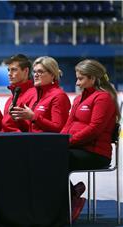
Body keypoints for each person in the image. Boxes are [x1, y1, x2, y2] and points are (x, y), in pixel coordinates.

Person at [61, 59, 120, 221]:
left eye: (80, 78)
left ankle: (72, 198)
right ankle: (72, 194)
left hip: (95, 154)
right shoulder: (78, 100)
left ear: (92, 78)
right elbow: (68, 125)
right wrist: (58, 141)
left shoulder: (103, 98)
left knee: (57, 159)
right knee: (49, 154)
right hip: (78, 149)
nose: (77, 82)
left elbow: (95, 129)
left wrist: (68, 142)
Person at [10, 56, 71, 133]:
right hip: (34, 142)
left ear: (52, 74)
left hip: (48, 144)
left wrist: (33, 117)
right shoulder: (36, 95)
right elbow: (30, 129)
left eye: (40, 71)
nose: (35, 75)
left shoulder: (59, 96)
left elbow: (58, 128)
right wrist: (18, 118)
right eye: (34, 72)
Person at [0, 54, 35, 132]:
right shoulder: (10, 100)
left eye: (14, 70)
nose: (9, 73)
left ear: (26, 71)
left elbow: (33, 128)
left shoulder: (34, 95)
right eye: (8, 70)